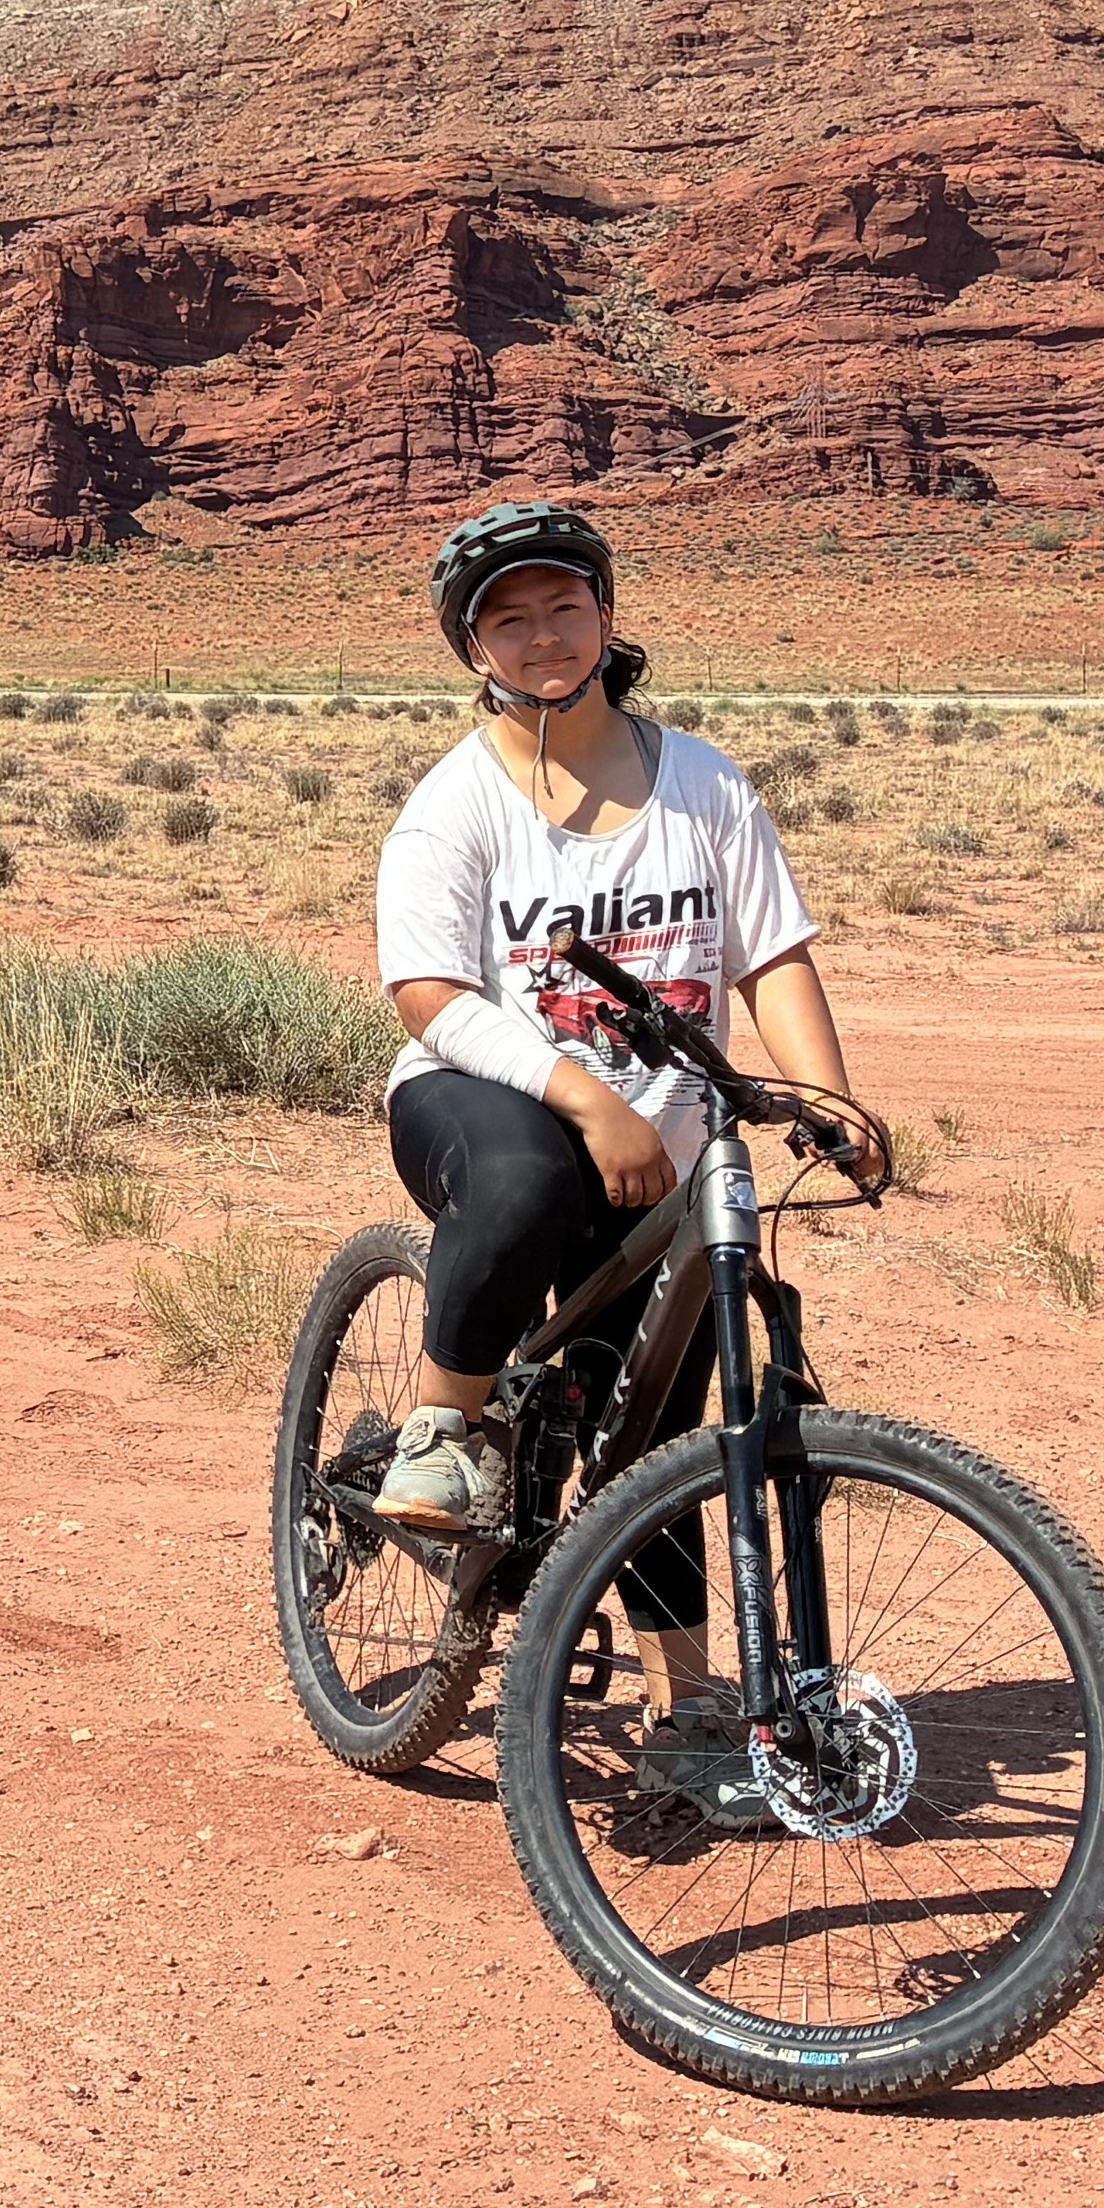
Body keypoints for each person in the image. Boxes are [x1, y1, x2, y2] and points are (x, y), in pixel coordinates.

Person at [364, 497, 865, 1757]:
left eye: (564, 607)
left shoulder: (703, 783)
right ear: (475, 649)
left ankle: (686, 1700)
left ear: (607, 616)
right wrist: (585, 1096)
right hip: (481, 1097)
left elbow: (775, 958)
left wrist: (830, 1098)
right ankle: (442, 1429)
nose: (544, 638)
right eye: (510, 620)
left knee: (652, 1419)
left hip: (665, 1141)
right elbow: (428, 993)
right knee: (530, 1181)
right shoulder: (457, 804)